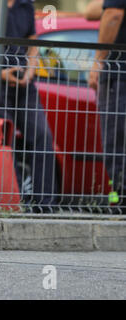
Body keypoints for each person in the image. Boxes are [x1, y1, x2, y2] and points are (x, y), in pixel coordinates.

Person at [0, 0, 60, 213]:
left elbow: (32, 44)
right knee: (4, 138)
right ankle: (12, 202)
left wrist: (30, 72)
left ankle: (45, 207)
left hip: (24, 84)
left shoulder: (25, 4)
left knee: (42, 136)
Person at [89, 0, 126, 213]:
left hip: (119, 72)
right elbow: (90, 11)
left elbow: (112, 13)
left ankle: (121, 202)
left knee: (116, 144)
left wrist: (98, 61)